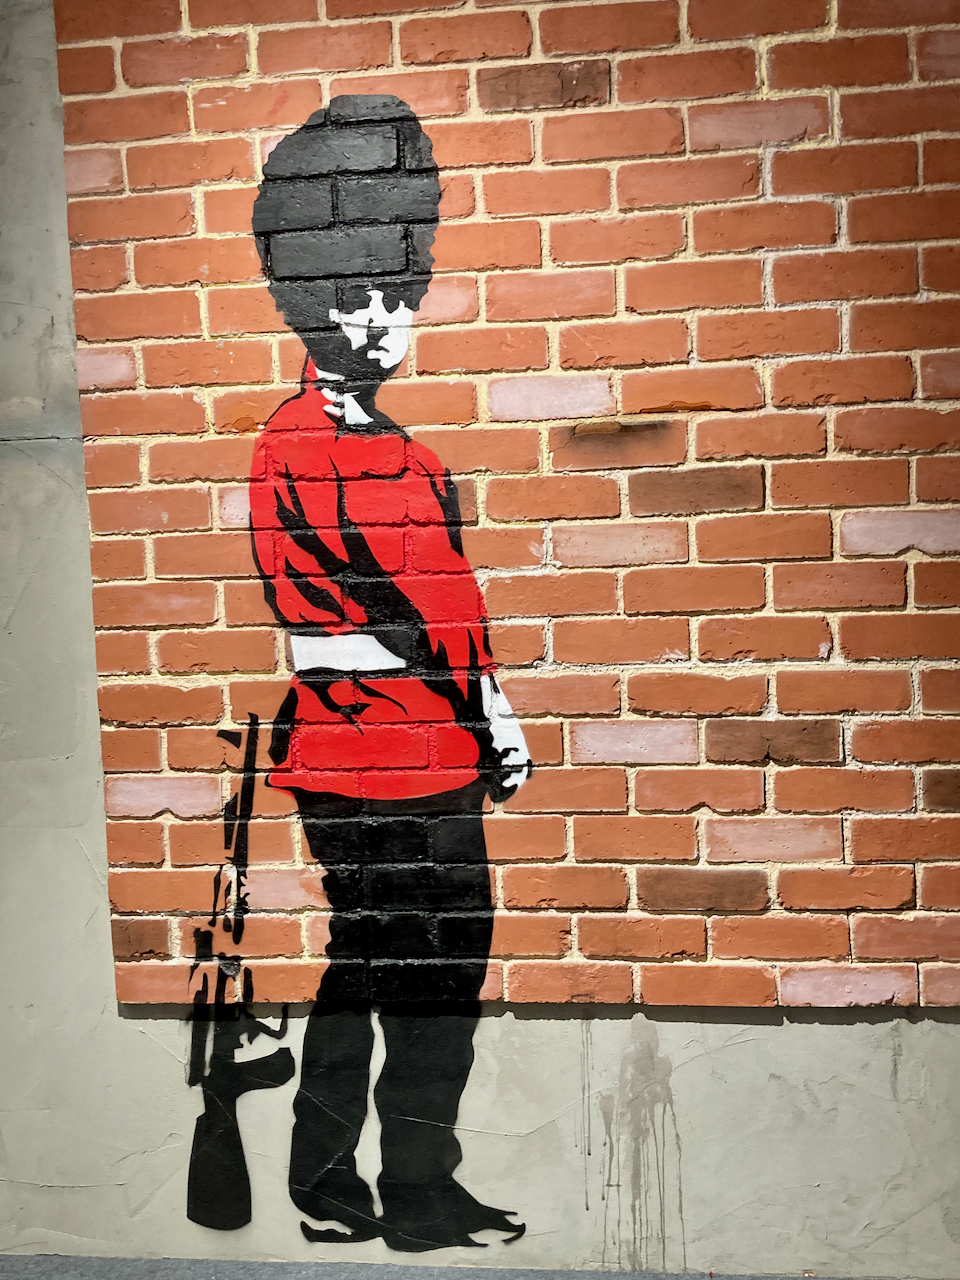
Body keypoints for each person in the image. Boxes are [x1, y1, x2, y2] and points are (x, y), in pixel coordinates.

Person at [248, 94, 532, 1252]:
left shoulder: (351, 447)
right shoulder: (343, 450)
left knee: (390, 968)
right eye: (356, 295)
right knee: (418, 972)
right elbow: (440, 609)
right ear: (310, 300)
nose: (381, 319)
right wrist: (495, 712)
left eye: (396, 293)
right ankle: (392, 1185)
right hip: (390, 756)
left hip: (384, 750)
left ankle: (363, 1180)